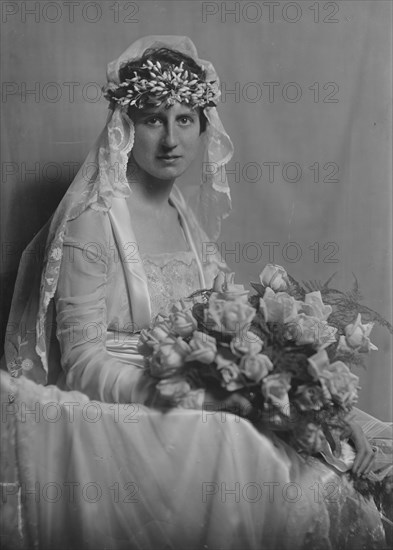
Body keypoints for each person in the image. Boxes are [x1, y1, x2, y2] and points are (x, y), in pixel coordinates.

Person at [1, 36, 391, 550]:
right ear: (124, 126)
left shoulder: (185, 220)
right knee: (265, 465)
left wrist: (313, 406)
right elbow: (80, 363)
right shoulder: (91, 223)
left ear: (204, 126)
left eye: (185, 119)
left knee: (349, 450)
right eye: (153, 119)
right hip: (135, 407)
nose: (170, 139)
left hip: (204, 386)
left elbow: (236, 327)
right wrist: (195, 396)